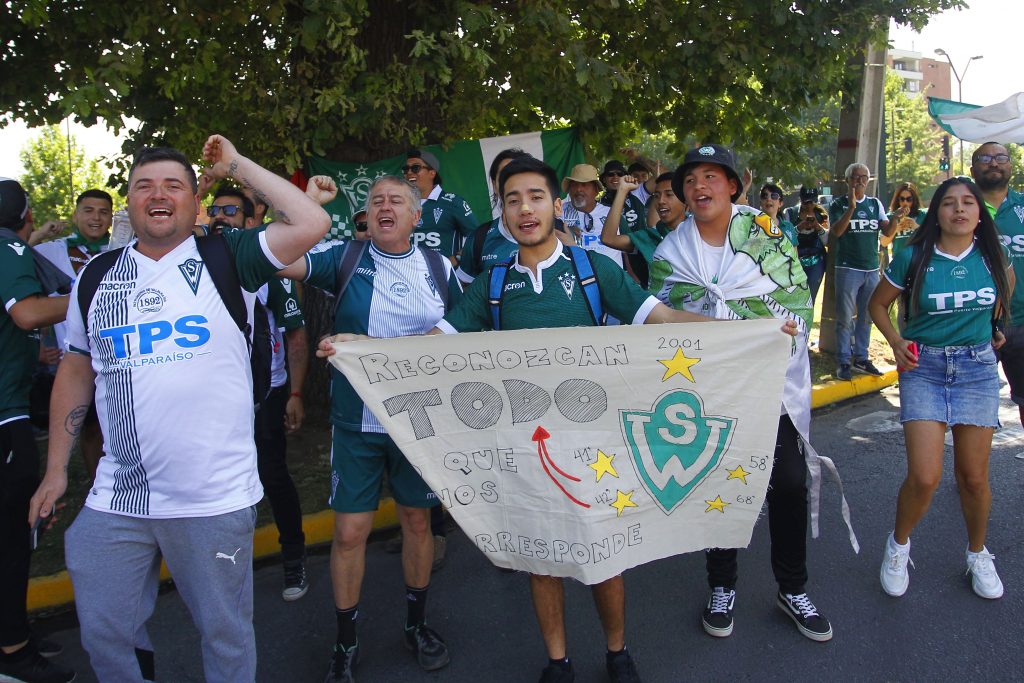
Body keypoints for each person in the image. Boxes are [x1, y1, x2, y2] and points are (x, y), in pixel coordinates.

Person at [319, 156, 797, 683]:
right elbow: (430, 350)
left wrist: (751, 334)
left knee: (604, 558)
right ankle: (558, 662)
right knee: (541, 558)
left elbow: (663, 321)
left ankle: (618, 652)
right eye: (513, 199)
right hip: (525, 447)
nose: (525, 209)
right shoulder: (491, 284)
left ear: (555, 205)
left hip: (595, 445)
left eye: (536, 197)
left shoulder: (595, 270)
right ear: (502, 211)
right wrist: (362, 351)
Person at [28, 136, 331, 682]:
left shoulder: (227, 257)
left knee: (225, 635)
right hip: (118, 496)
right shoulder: (95, 278)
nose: (158, 195)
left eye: (174, 185)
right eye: (144, 186)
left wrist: (237, 164)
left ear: (195, 201)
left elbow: (310, 222)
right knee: (105, 630)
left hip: (212, 499)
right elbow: (76, 367)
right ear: (129, 203)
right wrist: (55, 471)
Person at [648, 144, 834, 644]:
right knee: (717, 485)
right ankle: (721, 585)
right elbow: (660, 326)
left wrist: (763, 332)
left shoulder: (765, 236)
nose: (700, 186)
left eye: (712, 176)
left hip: (770, 383)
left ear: (734, 185)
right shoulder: (671, 253)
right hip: (709, 388)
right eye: (691, 180)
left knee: (790, 483)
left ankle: (792, 588)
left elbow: (794, 299)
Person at [279, 175, 461, 682]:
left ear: (416, 215)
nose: (385, 207)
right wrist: (309, 205)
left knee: (419, 524)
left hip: (420, 420)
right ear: (365, 214)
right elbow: (279, 256)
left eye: (396, 201)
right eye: (376, 200)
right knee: (350, 531)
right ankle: (345, 642)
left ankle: (416, 625)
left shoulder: (438, 266)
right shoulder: (345, 258)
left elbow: (467, 324)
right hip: (357, 422)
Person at [868, 176, 1013, 600]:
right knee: (925, 477)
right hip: (925, 367)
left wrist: (995, 326)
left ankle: (977, 553)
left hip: (977, 369)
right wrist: (896, 342)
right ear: (938, 212)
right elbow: (878, 303)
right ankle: (898, 546)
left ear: (978, 213)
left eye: (969, 202)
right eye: (949, 203)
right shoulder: (913, 255)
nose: (960, 210)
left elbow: (1006, 287)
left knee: (973, 478)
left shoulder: (991, 254)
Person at [206, 181, 314, 601]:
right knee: (219, 484)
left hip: (264, 394)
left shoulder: (270, 267)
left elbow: (296, 337)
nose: (220, 217)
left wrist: (296, 393)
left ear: (253, 222)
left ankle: (294, 560)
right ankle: (224, 571)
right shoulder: (192, 264)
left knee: (272, 474)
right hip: (215, 401)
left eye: (231, 212)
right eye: (215, 210)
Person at [0, 178, 75, 683]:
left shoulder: (10, 249)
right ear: (24, 218)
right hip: (5, 417)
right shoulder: (7, 248)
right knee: (11, 535)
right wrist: (95, 291)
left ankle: (12, 628)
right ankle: (13, 652)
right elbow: (27, 313)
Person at [31, 189, 115, 480]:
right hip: (74, 358)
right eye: (89, 210)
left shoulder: (120, 248)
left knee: (117, 424)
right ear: (76, 215)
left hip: (116, 354)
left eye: (103, 212)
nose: (96, 217)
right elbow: (16, 255)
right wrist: (40, 232)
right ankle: (97, 483)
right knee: (88, 424)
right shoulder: (54, 250)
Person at [970, 142, 1024, 428]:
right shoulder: (961, 208)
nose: (994, 163)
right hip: (974, 322)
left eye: (1001, 157)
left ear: (1010, 166)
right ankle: (974, 473)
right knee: (975, 409)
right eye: (985, 158)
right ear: (972, 168)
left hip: (1023, 320)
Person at [829, 163, 896, 380]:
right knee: (845, 317)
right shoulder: (838, 203)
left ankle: (861, 357)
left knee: (867, 316)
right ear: (847, 180)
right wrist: (851, 207)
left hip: (871, 269)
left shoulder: (875, 204)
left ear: (869, 180)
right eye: (855, 178)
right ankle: (843, 361)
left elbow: (887, 230)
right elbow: (837, 232)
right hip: (848, 268)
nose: (859, 181)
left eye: (864, 178)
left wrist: (897, 218)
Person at [456, 148, 532, 285]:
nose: (511, 182)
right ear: (494, 184)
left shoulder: (556, 231)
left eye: (518, 174)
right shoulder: (480, 238)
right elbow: (466, 289)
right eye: (505, 175)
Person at [600, 172, 685, 288]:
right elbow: (608, 239)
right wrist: (622, 191)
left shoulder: (701, 232)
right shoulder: (649, 237)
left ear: (686, 200)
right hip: (658, 305)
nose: (661, 201)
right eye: (656, 196)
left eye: (669, 195)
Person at [403, 148, 477, 262]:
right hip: (409, 274)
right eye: (406, 169)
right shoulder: (401, 205)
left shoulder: (453, 202)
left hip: (443, 276)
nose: (409, 172)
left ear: (432, 173)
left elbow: (478, 238)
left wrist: (457, 259)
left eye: (415, 168)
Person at [795, 202, 829, 308]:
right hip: (796, 262)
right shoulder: (791, 213)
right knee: (795, 298)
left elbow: (827, 241)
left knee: (810, 299)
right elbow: (787, 237)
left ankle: (806, 322)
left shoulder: (821, 215)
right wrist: (800, 226)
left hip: (816, 262)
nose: (808, 204)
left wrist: (818, 227)